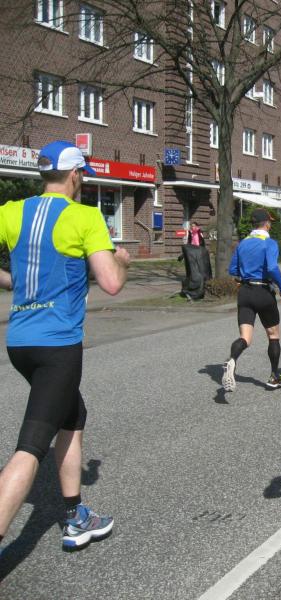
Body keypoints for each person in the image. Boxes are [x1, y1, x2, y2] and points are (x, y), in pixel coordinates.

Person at [0, 140, 130, 551]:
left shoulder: (11, 211)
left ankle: (75, 516)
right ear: (75, 175)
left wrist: (17, 283)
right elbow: (111, 283)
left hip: (19, 344)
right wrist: (122, 260)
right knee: (30, 448)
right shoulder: (85, 216)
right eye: (82, 176)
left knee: (73, 416)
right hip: (57, 347)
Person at [222, 209, 281, 392]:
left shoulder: (243, 243)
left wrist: (245, 277)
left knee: (245, 337)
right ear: (266, 224)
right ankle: (274, 376)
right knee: (273, 335)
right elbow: (272, 268)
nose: (271, 225)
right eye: (270, 222)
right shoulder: (269, 243)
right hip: (263, 291)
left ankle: (232, 360)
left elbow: (233, 270)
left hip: (245, 292)